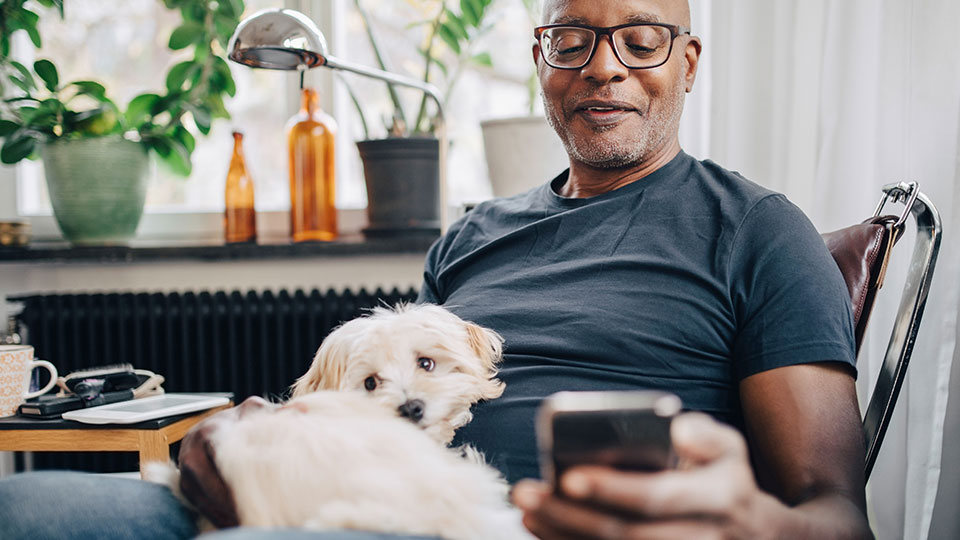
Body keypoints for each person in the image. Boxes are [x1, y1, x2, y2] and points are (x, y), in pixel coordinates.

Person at [0, 0, 870, 538]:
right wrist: (264, 432)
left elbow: (837, 516)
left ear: (687, 63)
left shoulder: (758, 231)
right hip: (348, 496)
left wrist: (743, 522)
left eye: (641, 40)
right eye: (572, 39)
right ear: (541, 61)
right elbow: (384, 402)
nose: (604, 66)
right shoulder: (474, 234)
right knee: (24, 512)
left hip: (485, 524)